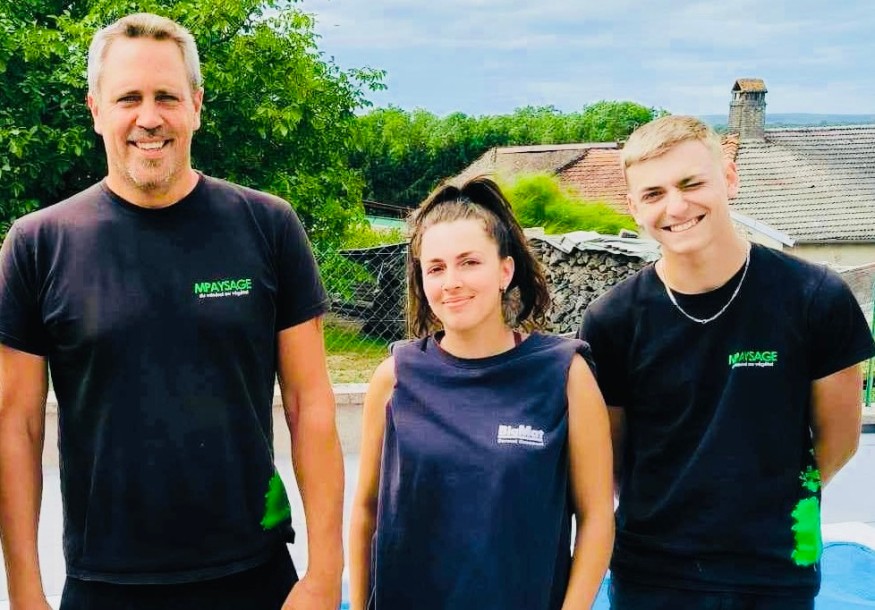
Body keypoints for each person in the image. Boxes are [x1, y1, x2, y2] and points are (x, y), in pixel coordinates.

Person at [0, 13, 343, 610]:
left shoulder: (267, 226)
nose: (149, 117)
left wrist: (323, 575)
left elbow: (309, 404)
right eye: (127, 98)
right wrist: (26, 592)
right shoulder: (38, 245)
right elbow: (17, 426)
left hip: (255, 574)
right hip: (104, 582)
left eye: (167, 97)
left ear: (196, 106)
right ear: (96, 110)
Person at [578, 115, 875, 609]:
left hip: (776, 571)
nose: (676, 206)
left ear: (729, 179)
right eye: (654, 193)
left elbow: (839, 440)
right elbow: (610, 458)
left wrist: (769, 504)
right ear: (634, 208)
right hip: (652, 575)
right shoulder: (612, 320)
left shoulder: (814, 297)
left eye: (691, 183)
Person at [349, 177, 615, 610]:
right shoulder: (395, 376)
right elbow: (366, 511)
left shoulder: (565, 374)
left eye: (469, 262)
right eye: (436, 268)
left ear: (505, 271)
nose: (451, 281)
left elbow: (597, 517)